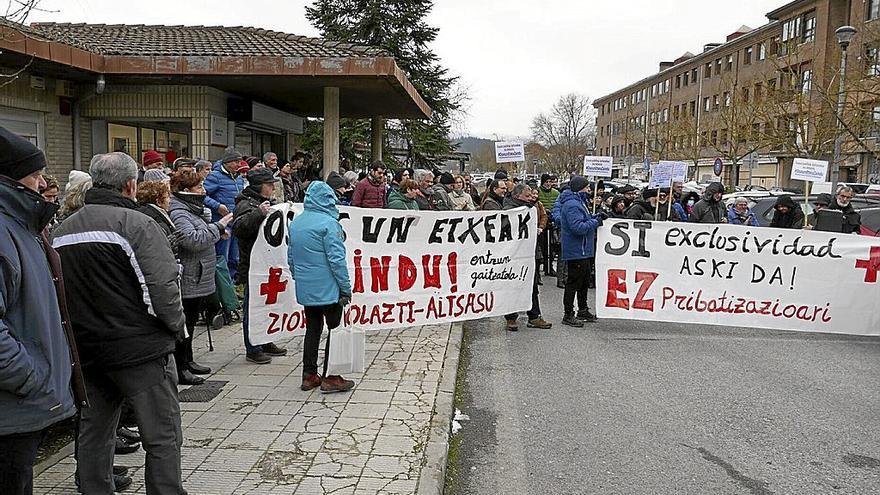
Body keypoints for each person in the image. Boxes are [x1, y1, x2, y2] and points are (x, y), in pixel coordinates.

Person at [51, 152, 186, 495]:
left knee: (95, 431)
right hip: (140, 351)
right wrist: (176, 329)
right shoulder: (137, 224)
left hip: (86, 351)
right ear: (131, 185)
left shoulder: (63, 230)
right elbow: (162, 287)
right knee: (162, 434)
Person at [0, 129, 84, 495]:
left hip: (20, 406)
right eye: (35, 176)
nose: (43, 184)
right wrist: (32, 376)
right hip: (11, 407)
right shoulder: (5, 231)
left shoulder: (22, 224)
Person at [288, 181, 355, 393]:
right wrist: (345, 287)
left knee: (312, 329)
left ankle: (309, 375)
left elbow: (290, 257)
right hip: (329, 288)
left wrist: (299, 278)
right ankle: (331, 376)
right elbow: (336, 260)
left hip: (306, 287)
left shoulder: (296, 223)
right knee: (335, 330)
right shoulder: (329, 224)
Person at [231, 168, 288, 364]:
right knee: (252, 307)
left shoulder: (259, 203)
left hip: (266, 264)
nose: (272, 187)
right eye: (269, 184)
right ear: (259, 186)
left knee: (266, 305)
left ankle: (265, 340)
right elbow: (239, 228)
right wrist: (258, 214)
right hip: (252, 264)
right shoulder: (245, 204)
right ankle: (252, 347)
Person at [502, 184, 552, 331]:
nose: (531, 198)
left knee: (532, 285)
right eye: (528, 196)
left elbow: (543, 217)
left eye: (531, 196)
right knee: (512, 285)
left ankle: (534, 316)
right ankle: (511, 317)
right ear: (518, 196)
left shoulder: (532, 208)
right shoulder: (508, 210)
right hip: (513, 255)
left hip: (530, 252)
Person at [555, 176, 602, 328]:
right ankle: (568, 314)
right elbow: (578, 227)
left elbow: (583, 220)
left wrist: (595, 217)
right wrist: (595, 222)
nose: (590, 190)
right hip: (576, 250)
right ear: (581, 188)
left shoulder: (579, 202)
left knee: (584, 281)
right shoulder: (572, 205)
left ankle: (583, 309)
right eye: (587, 187)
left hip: (584, 249)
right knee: (573, 282)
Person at [205, 149, 245, 280]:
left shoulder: (239, 178)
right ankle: (222, 284)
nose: (239, 165)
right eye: (236, 162)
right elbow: (202, 195)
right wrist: (218, 206)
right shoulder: (214, 176)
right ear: (227, 162)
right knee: (223, 255)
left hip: (236, 221)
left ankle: (232, 281)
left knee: (235, 255)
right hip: (222, 223)